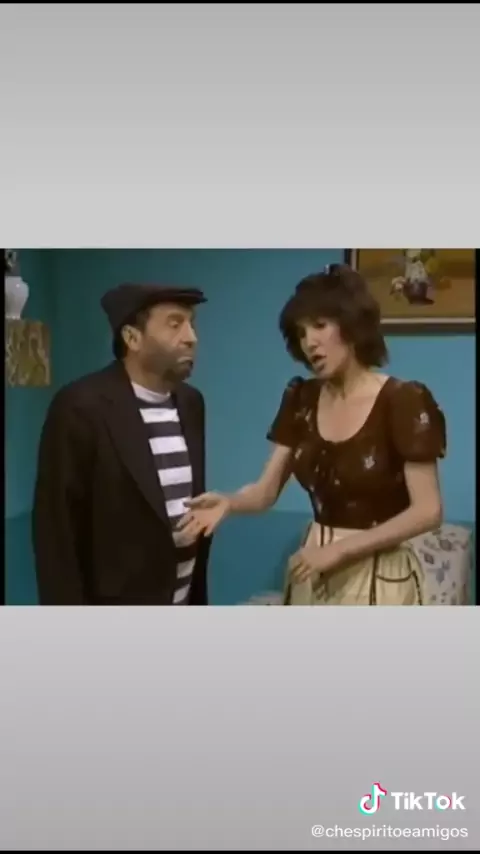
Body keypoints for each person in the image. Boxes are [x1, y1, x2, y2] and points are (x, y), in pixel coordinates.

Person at [178, 264, 447, 606]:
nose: (310, 342)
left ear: (352, 324)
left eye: (320, 326)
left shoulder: (404, 400)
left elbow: (428, 510)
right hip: (313, 568)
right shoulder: (301, 399)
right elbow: (264, 492)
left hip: (380, 575)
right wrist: (229, 502)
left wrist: (341, 550)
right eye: (302, 333)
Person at [32, 283, 212, 606]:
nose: (191, 337)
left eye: (192, 324)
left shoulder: (191, 403)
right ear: (132, 338)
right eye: (175, 324)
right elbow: (56, 534)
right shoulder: (80, 407)